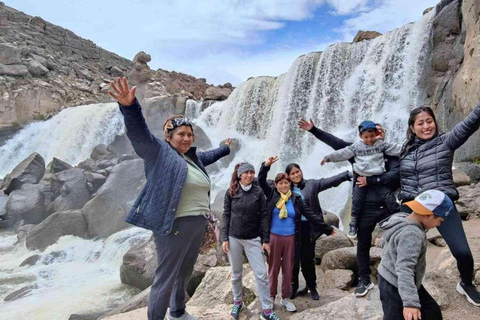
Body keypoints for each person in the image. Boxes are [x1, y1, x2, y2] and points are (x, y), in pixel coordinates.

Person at [109, 77, 232, 320]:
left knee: (184, 271)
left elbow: (211, 155)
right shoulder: (159, 153)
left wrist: (225, 148)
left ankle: (178, 312)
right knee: (165, 277)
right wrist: (129, 107)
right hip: (173, 224)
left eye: (189, 134)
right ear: (168, 136)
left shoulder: (192, 159)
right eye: (181, 134)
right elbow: (139, 134)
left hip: (196, 224)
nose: (186, 138)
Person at [299, 119, 399, 298]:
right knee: (362, 245)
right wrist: (314, 130)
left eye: (378, 131)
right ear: (363, 136)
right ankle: (364, 280)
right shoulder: (358, 150)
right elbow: (336, 144)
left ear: (381, 134)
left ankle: (398, 275)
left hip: (388, 206)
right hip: (365, 206)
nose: (374, 136)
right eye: (370, 133)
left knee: (397, 239)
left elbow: (395, 175)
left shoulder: (389, 153)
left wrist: (371, 180)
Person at [399, 104, 480, 306]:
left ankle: (466, 284)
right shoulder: (404, 151)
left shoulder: (445, 141)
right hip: (411, 205)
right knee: (405, 253)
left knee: (462, 252)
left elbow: (469, 124)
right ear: (412, 127)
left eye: (429, 121)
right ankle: (404, 292)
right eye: (421, 123)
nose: (426, 126)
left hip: (440, 205)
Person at [258, 156, 336, 313]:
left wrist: (327, 228)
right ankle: (272, 296)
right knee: (273, 269)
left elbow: (311, 214)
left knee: (288, 268)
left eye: (286, 182)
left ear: (290, 184)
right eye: (281, 183)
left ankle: (285, 298)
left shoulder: (296, 199)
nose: (284, 185)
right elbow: (261, 180)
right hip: (274, 237)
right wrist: (265, 166)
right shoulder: (272, 194)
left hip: (291, 238)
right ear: (277, 184)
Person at [321, 120, 401, 238]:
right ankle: (353, 223)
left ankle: (398, 214)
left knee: (388, 196)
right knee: (357, 200)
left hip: (377, 176)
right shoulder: (356, 147)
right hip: (361, 177)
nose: (369, 139)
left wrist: (411, 147)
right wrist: (328, 158)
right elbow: (343, 153)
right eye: (366, 137)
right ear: (360, 136)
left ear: (376, 134)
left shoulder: (381, 145)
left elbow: (396, 148)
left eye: (372, 136)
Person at [378, 189, 449, 320]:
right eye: (440, 220)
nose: (440, 224)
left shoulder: (401, 218)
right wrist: (410, 303)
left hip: (398, 280)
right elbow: (405, 268)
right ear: (428, 215)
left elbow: (390, 241)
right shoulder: (412, 234)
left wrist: (381, 242)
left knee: (432, 312)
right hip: (394, 284)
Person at [222, 162, 280, 320]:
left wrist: (266, 240)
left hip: (253, 238)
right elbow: (226, 215)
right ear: (240, 174)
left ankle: (267, 310)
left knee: (261, 274)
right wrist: (224, 238)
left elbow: (263, 217)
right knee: (235, 274)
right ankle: (237, 302)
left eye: (251, 172)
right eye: (246, 172)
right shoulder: (231, 191)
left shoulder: (258, 192)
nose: (249, 175)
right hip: (234, 238)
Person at [284, 163, 351, 300]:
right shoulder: (284, 188)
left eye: (298, 171)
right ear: (288, 176)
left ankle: (312, 287)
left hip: (309, 228)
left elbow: (329, 181)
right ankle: (293, 285)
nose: (296, 175)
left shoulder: (311, 185)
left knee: (307, 259)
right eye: (293, 174)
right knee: (293, 259)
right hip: (291, 229)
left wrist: (347, 175)